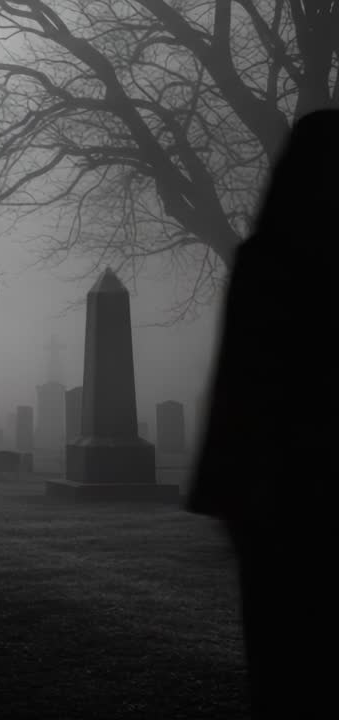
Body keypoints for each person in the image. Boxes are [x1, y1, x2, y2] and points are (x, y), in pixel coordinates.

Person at [188, 109, 339, 720]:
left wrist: (228, 493)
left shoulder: (266, 261)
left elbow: (240, 387)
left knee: (287, 665)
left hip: (281, 498)